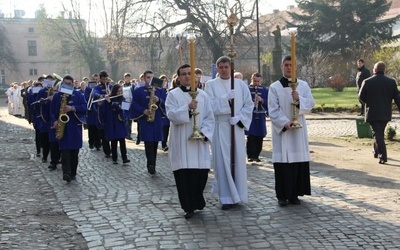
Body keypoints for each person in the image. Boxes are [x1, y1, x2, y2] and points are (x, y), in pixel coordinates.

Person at [166, 64, 215, 219]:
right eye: (184, 74)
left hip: (198, 142)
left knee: (200, 176)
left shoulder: (203, 95)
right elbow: (172, 115)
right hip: (182, 141)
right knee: (184, 177)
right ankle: (188, 206)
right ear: (179, 77)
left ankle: (197, 200)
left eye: (190, 73)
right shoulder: (173, 95)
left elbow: (210, 117)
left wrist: (204, 132)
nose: (187, 76)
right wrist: (187, 108)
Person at [204, 56, 253, 210]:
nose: (224, 70)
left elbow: (248, 104)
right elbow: (209, 106)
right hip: (221, 126)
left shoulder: (240, 85)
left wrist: (239, 118)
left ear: (231, 68)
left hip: (236, 126)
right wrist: (225, 99)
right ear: (217, 68)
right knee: (222, 161)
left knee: (237, 159)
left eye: (227, 67)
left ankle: (239, 194)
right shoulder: (210, 85)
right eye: (221, 67)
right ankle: (226, 197)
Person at [268, 55, 315, 207]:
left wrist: (299, 98)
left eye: (291, 65)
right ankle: (282, 195)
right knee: (283, 163)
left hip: (299, 130)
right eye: (286, 64)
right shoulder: (275, 87)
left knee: (297, 162)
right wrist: (285, 122)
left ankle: (295, 194)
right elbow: (273, 109)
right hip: (283, 131)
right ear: (281, 66)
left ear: (295, 66)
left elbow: (310, 104)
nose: (289, 67)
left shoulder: (303, 85)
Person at [359, 61, 400, 164]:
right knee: (379, 133)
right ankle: (376, 151)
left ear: (375, 69)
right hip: (385, 112)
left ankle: (383, 156)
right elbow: (397, 97)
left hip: (372, 112)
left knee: (378, 134)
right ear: (384, 70)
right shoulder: (391, 82)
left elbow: (361, 97)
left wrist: (367, 103)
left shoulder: (367, 82)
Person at [50, 75, 86, 183]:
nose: (67, 85)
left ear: (73, 84)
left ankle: (73, 172)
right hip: (63, 127)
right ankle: (66, 173)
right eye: (65, 84)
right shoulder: (57, 96)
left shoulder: (79, 95)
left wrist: (73, 108)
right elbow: (52, 112)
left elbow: (84, 107)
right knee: (64, 152)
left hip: (75, 128)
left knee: (74, 152)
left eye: (69, 84)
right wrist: (55, 121)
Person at [130, 70, 164, 175]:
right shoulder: (138, 90)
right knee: (148, 143)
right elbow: (134, 103)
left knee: (155, 143)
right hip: (146, 120)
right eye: (148, 77)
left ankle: (153, 162)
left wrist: (159, 100)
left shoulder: (160, 90)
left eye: (152, 77)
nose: (150, 79)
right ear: (144, 78)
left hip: (157, 120)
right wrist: (143, 110)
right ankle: (150, 164)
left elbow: (167, 102)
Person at [104, 84, 130, 165]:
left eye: (121, 91)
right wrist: (104, 102)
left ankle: (124, 158)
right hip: (112, 122)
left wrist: (111, 102)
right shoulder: (109, 99)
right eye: (118, 91)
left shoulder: (123, 99)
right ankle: (114, 158)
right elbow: (105, 110)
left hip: (120, 122)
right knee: (114, 141)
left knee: (122, 141)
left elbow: (124, 108)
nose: (120, 93)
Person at [245, 72, 268, 162]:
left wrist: (261, 100)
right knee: (251, 136)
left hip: (260, 116)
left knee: (259, 136)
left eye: (258, 81)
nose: (256, 83)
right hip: (251, 116)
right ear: (251, 79)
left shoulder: (264, 90)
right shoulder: (247, 89)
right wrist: (251, 103)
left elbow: (269, 101)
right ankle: (250, 155)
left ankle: (257, 155)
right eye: (255, 81)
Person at [160, 74, 170, 151]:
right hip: (161, 113)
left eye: (165, 81)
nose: (164, 83)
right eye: (163, 81)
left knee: (166, 129)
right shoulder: (159, 91)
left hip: (167, 113)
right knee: (163, 129)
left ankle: (165, 144)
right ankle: (163, 144)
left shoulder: (168, 91)